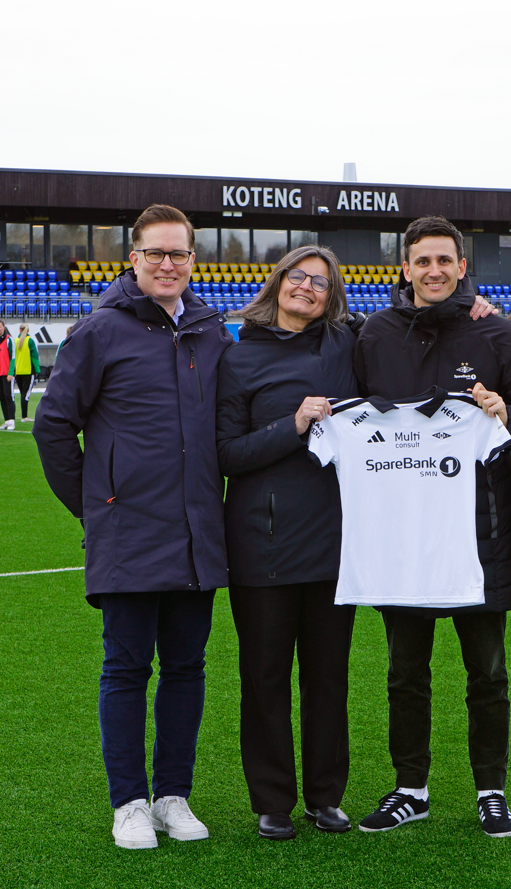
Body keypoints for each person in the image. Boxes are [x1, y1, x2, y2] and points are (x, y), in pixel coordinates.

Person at [33, 204, 233, 851]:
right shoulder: (98, 331)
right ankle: (129, 803)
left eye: (179, 254)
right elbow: (54, 426)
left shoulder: (211, 331)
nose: (168, 264)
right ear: (134, 259)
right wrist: (97, 508)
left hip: (197, 535)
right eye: (156, 253)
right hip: (129, 536)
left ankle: (173, 795)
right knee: (125, 669)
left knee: (186, 667)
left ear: (193, 261)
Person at [351, 215, 511, 839]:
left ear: (462, 267)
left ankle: (491, 789)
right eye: (422, 261)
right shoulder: (375, 334)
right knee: (406, 670)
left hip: (479, 531)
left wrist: (507, 412)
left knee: (486, 671)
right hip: (401, 539)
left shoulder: (496, 334)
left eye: (445, 261)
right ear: (405, 268)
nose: (433, 271)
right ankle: (411, 788)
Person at [216, 245, 359, 840]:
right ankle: (272, 800)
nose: (307, 288)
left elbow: (415, 330)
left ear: (332, 298)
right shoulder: (239, 358)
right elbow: (225, 454)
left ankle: (325, 797)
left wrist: (473, 304)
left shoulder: (347, 345)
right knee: (266, 677)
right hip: (261, 545)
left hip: (335, 541)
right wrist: (292, 426)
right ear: (277, 283)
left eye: (320, 283)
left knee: (328, 678)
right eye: (297, 277)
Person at [13, 323, 42, 423]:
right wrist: (37, 370)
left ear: (19, 330)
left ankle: (22, 415)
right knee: (26, 395)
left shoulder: (15, 341)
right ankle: (24, 416)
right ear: (28, 331)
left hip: (18, 371)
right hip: (28, 371)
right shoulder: (30, 341)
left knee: (22, 394)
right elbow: (34, 357)